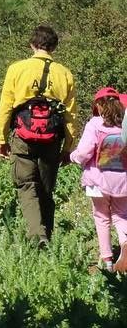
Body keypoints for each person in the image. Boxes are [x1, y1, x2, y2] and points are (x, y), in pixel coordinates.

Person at [0, 25, 77, 245]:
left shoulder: (16, 69)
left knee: (27, 185)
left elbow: (5, 107)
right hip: (52, 139)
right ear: (54, 47)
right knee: (46, 187)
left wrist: (1, 139)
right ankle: (47, 235)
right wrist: (68, 148)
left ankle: (37, 235)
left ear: (32, 44)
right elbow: (70, 116)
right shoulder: (65, 73)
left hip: (23, 137)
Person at [70, 87, 127, 271]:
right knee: (121, 215)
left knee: (101, 217)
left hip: (98, 181)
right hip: (123, 181)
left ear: (99, 105)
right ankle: (125, 245)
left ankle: (107, 260)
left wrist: (73, 157)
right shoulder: (124, 124)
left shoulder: (94, 124)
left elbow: (85, 152)